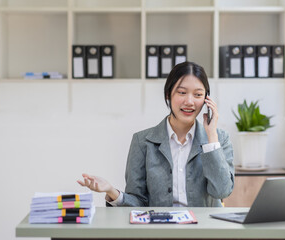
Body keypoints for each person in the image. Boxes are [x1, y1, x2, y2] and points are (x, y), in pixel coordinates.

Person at [77, 61, 234, 207]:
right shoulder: (142, 141)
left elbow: (221, 191)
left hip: (204, 232)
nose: (189, 101)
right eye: (182, 92)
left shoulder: (219, 139)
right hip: (159, 230)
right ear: (168, 94)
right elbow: (138, 202)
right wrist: (112, 191)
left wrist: (211, 137)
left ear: (206, 99)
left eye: (198, 95)